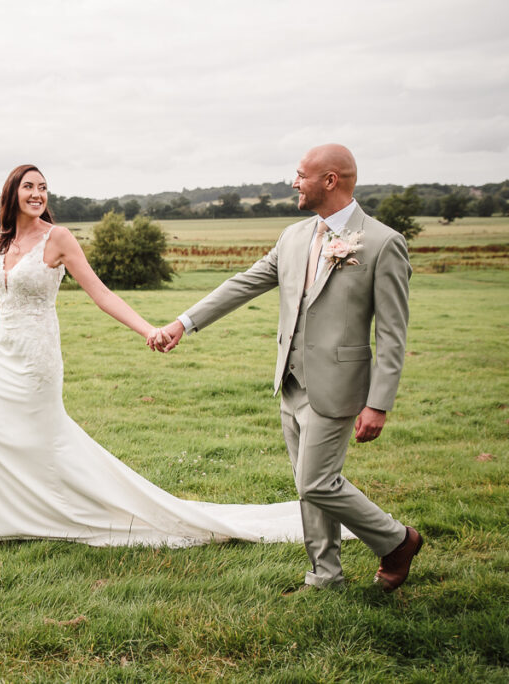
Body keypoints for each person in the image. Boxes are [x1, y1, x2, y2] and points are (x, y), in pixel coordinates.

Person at [0, 164, 325, 553]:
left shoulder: (58, 238)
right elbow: (2, 302)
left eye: (43, 187)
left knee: (44, 439)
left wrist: (149, 330)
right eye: (29, 187)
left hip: (38, 358)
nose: (37, 194)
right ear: (12, 194)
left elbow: (102, 294)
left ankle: (42, 517)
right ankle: (0, 524)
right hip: (2, 355)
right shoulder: (5, 243)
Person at [153, 144, 421, 592]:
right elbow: (244, 284)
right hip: (291, 382)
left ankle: (397, 540)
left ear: (330, 180)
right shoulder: (293, 237)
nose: (293, 182)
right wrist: (184, 322)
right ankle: (325, 576)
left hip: (339, 385)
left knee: (316, 482)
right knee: (308, 484)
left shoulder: (381, 242)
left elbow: (393, 333)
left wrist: (379, 403)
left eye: (300, 175)